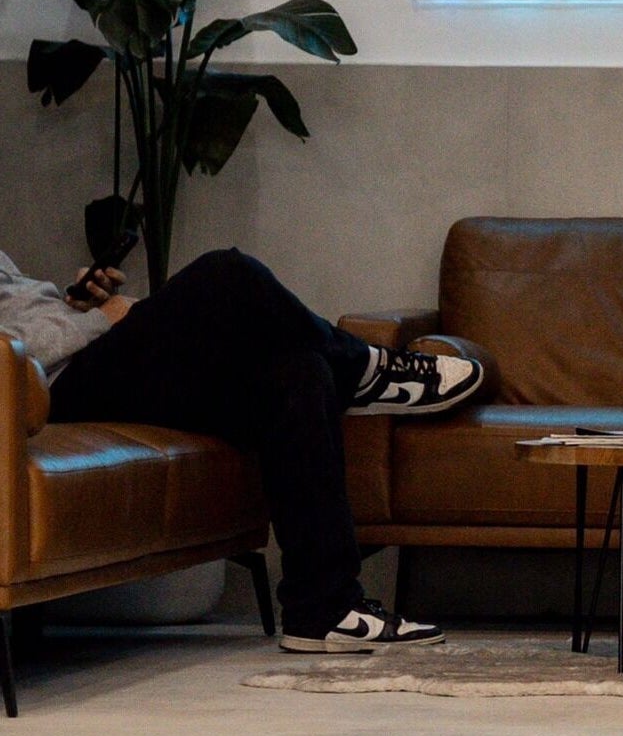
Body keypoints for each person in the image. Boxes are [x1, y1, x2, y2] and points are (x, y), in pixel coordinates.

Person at [0, 245, 484, 651]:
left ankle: (324, 608)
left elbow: (24, 315)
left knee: (298, 372)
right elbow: (15, 347)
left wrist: (81, 304)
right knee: (225, 274)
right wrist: (102, 320)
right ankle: (364, 368)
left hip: (89, 356)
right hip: (55, 387)